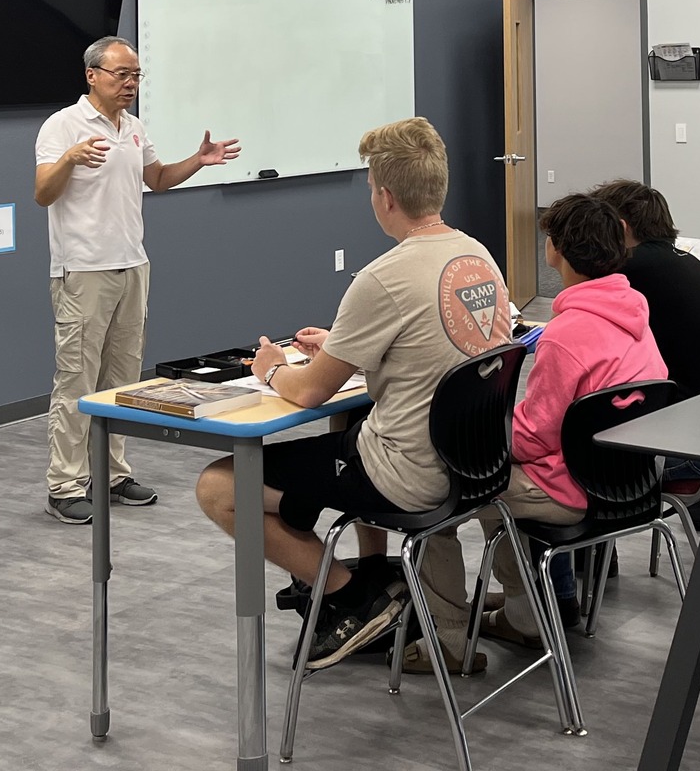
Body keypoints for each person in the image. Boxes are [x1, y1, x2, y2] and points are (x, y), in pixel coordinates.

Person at [193, 117, 511, 671]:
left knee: (220, 485)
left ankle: (349, 598)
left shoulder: (383, 278)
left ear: (385, 196)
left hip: (407, 476)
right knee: (345, 435)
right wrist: (342, 343)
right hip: (475, 466)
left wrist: (270, 368)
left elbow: (311, 393)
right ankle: (378, 576)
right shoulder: (478, 256)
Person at [414, 193, 667, 673]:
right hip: (632, 483)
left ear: (554, 249)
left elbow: (533, 437)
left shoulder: (566, 333)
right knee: (499, 491)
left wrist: (482, 430)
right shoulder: (634, 313)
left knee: (443, 490)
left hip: (576, 490)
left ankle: (444, 641)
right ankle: (525, 617)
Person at [34, 35, 239, 525]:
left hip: (133, 265)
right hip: (83, 269)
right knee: (76, 381)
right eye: (121, 74)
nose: (130, 84)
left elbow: (159, 178)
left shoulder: (133, 126)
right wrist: (69, 159)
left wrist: (199, 160)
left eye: (136, 76)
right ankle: (64, 484)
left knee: (122, 379)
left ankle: (112, 474)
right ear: (92, 75)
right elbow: (43, 193)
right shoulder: (61, 125)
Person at [588, 179, 700, 400]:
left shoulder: (629, 269)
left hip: (689, 403)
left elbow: (582, 328)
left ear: (620, 227)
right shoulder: (682, 259)